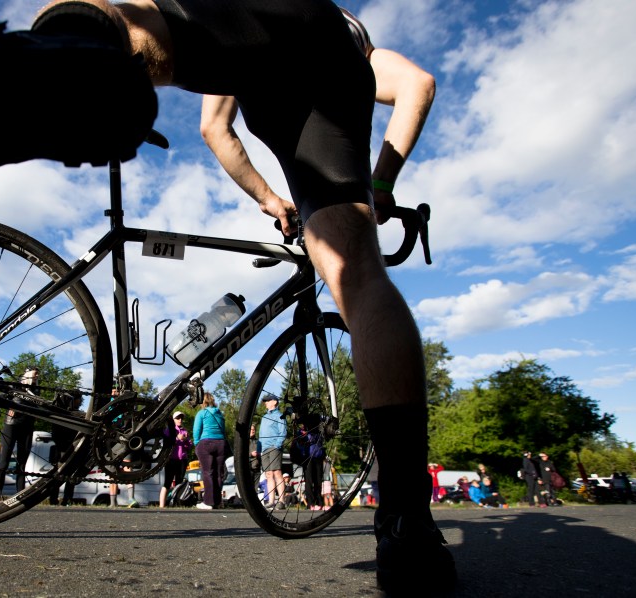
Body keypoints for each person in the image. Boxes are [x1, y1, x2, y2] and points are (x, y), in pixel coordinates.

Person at [29, 0, 445, 584]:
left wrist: (268, 199)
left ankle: (49, 54)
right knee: (360, 277)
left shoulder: (234, 46)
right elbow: (418, 84)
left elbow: (213, 128)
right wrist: (379, 185)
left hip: (245, 55)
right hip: (321, 59)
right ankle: (406, 524)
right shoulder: (351, 32)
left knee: (129, 24)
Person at [0, 368, 38, 501]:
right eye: (35, 374)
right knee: (4, 462)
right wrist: (10, 406)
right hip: (11, 425)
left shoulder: (35, 390)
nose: (37, 376)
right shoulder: (15, 386)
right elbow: (1, 396)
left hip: (27, 426)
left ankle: (20, 495)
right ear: (27, 374)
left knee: (22, 463)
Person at [193, 392, 226, 510]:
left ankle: (208, 502)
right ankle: (217, 501)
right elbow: (223, 430)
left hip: (206, 443)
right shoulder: (219, 414)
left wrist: (197, 444)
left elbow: (196, 430)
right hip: (221, 443)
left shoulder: (202, 413)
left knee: (207, 472)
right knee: (218, 473)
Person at [257, 393, 287, 508]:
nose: (266, 403)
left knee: (277, 472)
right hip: (264, 448)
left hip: (274, 447)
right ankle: (271, 501)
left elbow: (283, 431)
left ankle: (281, 501)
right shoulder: (264, 417)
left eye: (268, 401)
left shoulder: (279, 416)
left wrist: (277, 445)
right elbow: (261, 434)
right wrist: (259, 449)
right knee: (268, 474)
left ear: (274, 402)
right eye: (265, 401)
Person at [159, 410, 193, 508]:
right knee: (167, 483)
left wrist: (185, 440)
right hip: (171, 460)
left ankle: (177, 504)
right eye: (177, 418)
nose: (180, 420)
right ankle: (161, 506)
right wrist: (177, 438)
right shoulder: (169, 430)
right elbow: (166, 441)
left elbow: (189, 446)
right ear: (173, 420)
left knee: (179, 483)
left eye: (181, 418)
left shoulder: (185, 431)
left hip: (182, 460)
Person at [296, 416, 327, 511]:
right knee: (309, 481)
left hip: (318, 456)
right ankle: (311, 503)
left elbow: (326, 419)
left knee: (318, 481)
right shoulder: (302, 432)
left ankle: (319, 502)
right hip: (308, 457)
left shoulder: (318, 431)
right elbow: (299, 442)